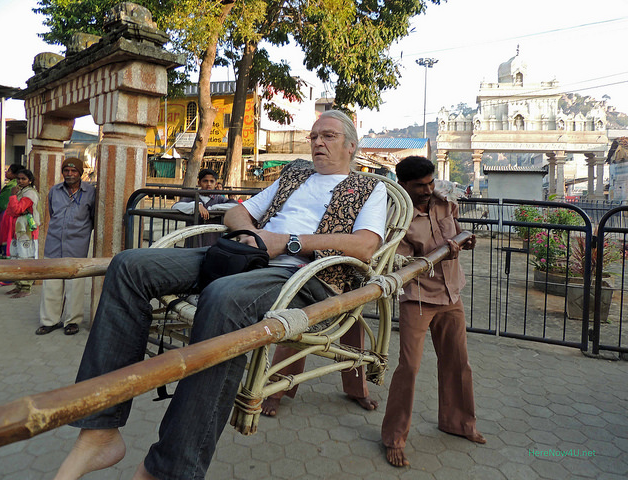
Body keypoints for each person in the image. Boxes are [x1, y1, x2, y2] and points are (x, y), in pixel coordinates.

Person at [54, 110, 387, 480]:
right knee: (129, 265)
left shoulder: (370, 188)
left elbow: (365, 246)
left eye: (328, 136)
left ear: (352, 146)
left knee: (223, 297)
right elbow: (238, 213)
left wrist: (289, 242)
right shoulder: (295, 175)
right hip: (247, 256)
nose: (318, 143)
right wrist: (252, 234)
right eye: (313, 137)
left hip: (301, 274)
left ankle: (171, 469)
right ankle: (100, 430)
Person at [381, 156, 484, 468]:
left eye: (430, 183)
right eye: (419, 186)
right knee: (408, 368)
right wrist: (436, 254)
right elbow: (399, 261)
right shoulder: (397, 215)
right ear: (404, 185)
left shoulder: (443, 203)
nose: (427, 190)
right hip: (418, 297)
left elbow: (458, 231)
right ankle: (394, 437)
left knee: (458, 362)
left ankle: (459, 423)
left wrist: (465, 241)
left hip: (452, 293)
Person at [37, 158, 96, 336]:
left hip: (77, 246)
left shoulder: (90, 193)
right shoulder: (55, 191)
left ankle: (72, 321)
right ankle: (49, 321)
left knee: (75, 287)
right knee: (51, 286)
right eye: (66, 171)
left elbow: (93, 219)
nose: (69, 174)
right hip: (54, 244)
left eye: (73, 171)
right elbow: (52, 214)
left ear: (80, 173)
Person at [3, 169, 41, 298]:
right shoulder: (21, 192)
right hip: (18, 230)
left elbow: (17, 208)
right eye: (18, 178)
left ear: (29, 180)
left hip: (27, 231)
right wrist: (16, 203)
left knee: (26, 258)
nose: (20, 181)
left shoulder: (30, 193)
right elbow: (10, 211)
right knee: (17, 256)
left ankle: (26, 287)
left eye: (23, 179)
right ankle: (19, 285)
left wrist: (13, 197)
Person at [0, 164, 24, 261]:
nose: (6, 172)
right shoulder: (14, 185)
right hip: (9, 217)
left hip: (6, 218)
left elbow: (1, 203)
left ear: (14, 174)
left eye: (9, 170)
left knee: (5, 241)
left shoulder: (11, 187)